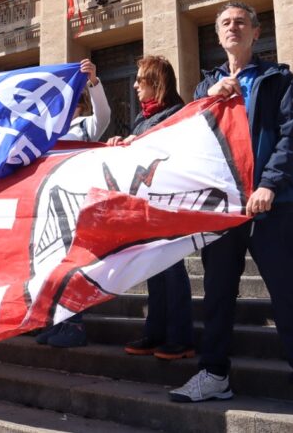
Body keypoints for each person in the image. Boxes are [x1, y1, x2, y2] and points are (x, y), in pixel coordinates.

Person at [169, 2, 293, 423]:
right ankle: (214, 373)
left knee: (287, 291)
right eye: (225, 23)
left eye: (241, 21)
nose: (233, 27)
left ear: (256, 32)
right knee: (217, 293)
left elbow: (292, 137)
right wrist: (208, 101)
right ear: (217, 35)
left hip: (270, 203)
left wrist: (269, 185)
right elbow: (190, 141)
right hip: (224, 207)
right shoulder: (207, 86)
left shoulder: (277, 77)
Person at [107, 55, 193, 361]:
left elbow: (175, 154)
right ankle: (156, 332)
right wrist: (123, 144)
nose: (134, 86)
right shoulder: (143, 119)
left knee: (172, 269)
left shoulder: (177, 114)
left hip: (169, 204)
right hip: (147, 205)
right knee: (154, 269)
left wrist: (141, 142)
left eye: (140, 80)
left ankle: (180, 337)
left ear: (156, 82)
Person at [35, 59, 111, 349]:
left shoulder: (85, 126)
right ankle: (56, 321)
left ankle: (75, 324)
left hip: (76, 205)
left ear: (78, 105)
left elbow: (104, 115)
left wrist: (94, 83)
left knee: (74, 267)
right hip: (50, 206)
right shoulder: (48, 131)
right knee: (52, 266)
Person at [61, 59, 111, 142]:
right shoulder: (49, 128)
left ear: (81, 106)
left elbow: (103, 116)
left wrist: (93, 80)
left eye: (73, 103)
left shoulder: (86, 124)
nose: (67, 108)